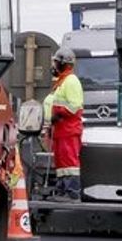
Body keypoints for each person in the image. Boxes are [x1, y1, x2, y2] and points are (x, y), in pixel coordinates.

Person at [42, 48, 85, 201]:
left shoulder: (71, 81)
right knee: (61, 162)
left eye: (56, 62)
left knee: (69, 163)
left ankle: (72, 192)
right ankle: (62, 190)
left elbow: (75, 105)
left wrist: (59, 114)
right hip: (61, 130)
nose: (54, 66)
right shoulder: (62, 82)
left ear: (63, 64)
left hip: (68, 130)